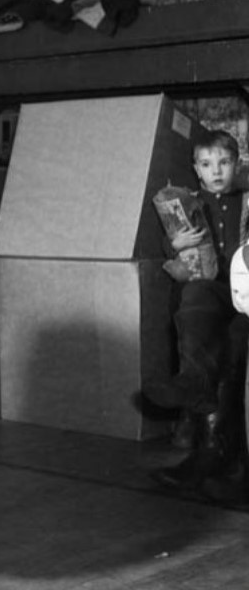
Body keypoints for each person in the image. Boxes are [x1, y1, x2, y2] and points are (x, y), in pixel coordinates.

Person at [143, 129, 249, 497]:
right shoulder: (189, 203)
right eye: (207, 164)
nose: (216, 171)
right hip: (212, 289)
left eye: (224, 162)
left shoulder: (246, 201)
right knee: (195, 299)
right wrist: (175, 244)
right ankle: (194, 384)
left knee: (234, 342)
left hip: (246, 294)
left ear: (237, 165)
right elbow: (170, 254)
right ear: (196, 169)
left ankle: (221, 453)